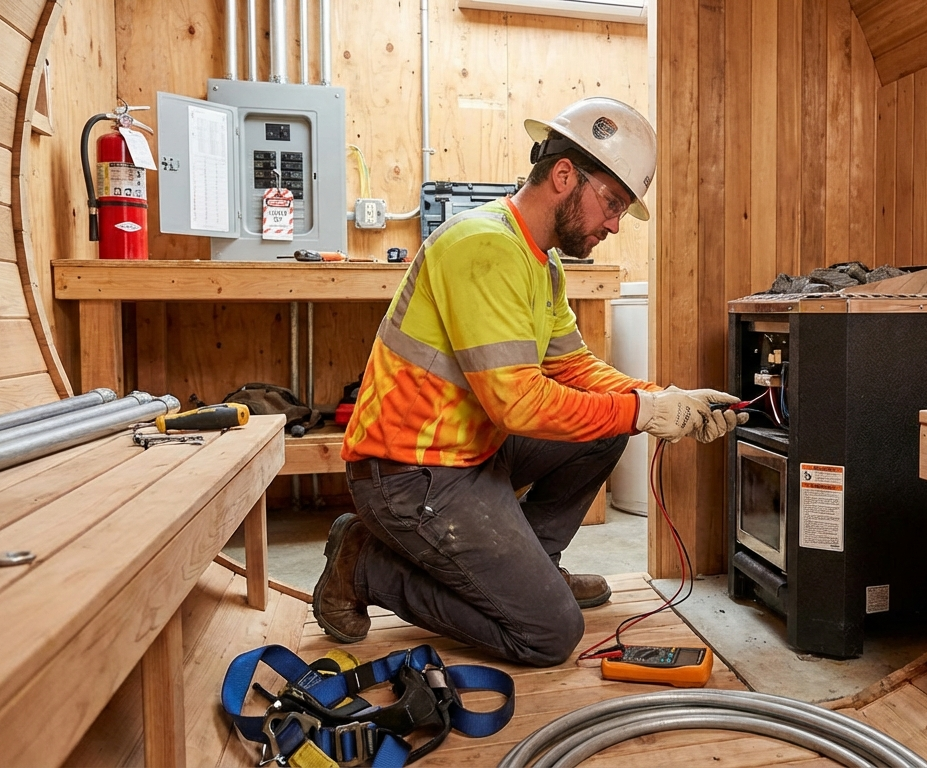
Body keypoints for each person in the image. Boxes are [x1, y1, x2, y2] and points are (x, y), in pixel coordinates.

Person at [313, 97, 746, 667]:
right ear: (564, 175)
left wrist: (664, 399)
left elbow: (576, 371)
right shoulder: (483, 245)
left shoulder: (543, 262)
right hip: (408, 476)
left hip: (468, 454)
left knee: (604, 427)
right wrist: (641, 411)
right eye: (612, 203)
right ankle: (365, 565)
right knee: (548, 635)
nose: (615, 224)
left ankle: (532, 571)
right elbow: (518, 404)